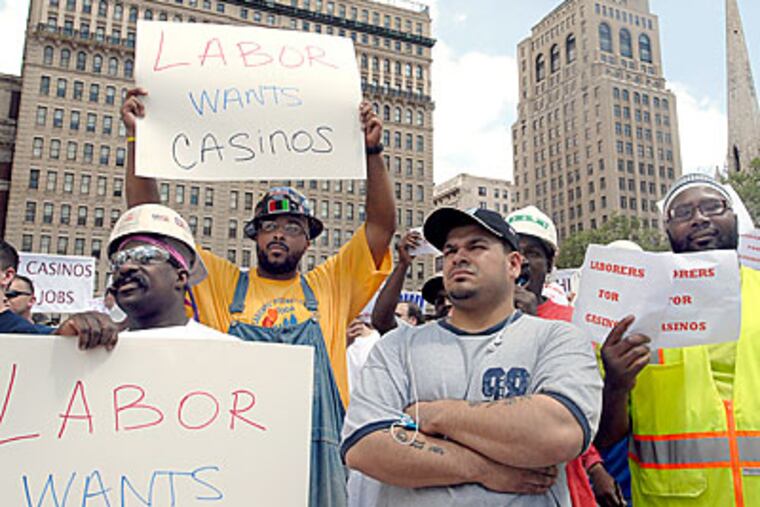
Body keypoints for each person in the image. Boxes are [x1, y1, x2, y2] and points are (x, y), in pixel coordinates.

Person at [121, 88, 395, 507]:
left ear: (308, 240)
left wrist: (372, 152)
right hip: (229, 451)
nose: (278, 234)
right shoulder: (219, 281)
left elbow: (380, 227)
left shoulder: (331, 285)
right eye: (269, 226)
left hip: (315, 459)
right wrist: (138, 140)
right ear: (255, 236)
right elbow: (153, 226)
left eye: (291, 226)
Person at [341, 207, 603, 505]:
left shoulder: (559, 339)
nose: (458, 257)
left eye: (476, 246)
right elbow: (365, 446)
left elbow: (560, 431)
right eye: (450, 250)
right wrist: (483, 470)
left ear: (514, 264)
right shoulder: (398, 346)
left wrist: (432, 415)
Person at [595, 173, 760, 506]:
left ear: (734, 217)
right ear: (667, 230)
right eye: (683, 213)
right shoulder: (634, 310)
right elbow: (605, 436)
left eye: (712, 207)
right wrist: (616, 384)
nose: (699, 218)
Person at [507, 206, 625, 507]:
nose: (521, 262)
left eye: (532, 253)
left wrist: (593, 465)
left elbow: (582, 413)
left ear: (549, 265)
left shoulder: (575, 321)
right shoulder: (473, 320)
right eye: (513, 251)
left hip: (564, 486)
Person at [371, 230, 425, 334]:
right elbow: (381, 320)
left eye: (398, 316)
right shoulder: (398, 340)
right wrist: (403, 264)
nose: (446, 304)